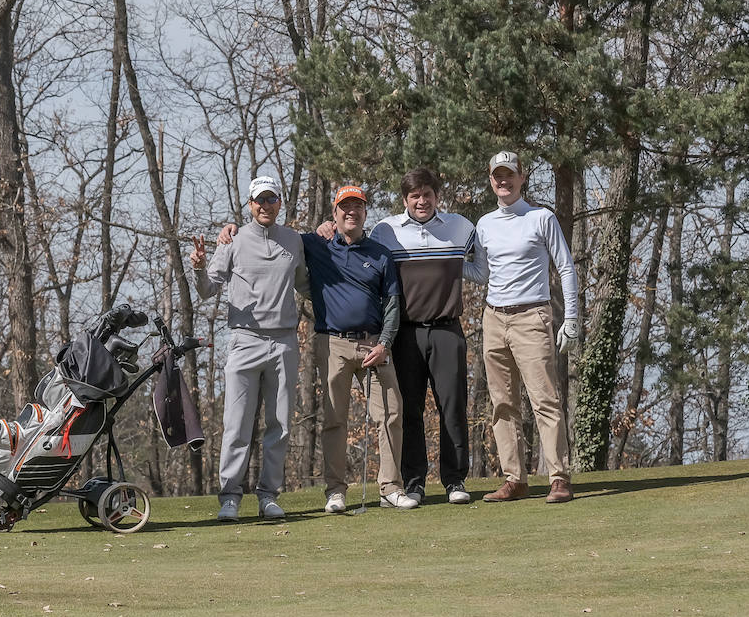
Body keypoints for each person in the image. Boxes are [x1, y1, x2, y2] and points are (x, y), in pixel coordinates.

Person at [218, 185, 415, 512]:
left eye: (357, 207)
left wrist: (385, 343)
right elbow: (273, 236)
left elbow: (393, 303)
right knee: (335, 420)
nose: (351, 212)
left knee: (391, 413)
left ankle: (391, 488)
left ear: (366, 213)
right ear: (334, 214)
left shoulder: (380, 254)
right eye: (344, 208)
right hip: (332, 342)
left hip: (373, 343)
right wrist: (231, 228)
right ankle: (335, 492)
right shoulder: (313, 243)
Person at [190, 175, 309, 521]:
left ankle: (268, 495)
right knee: (237, 424)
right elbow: (207, 288)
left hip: (285, 341)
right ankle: (230, 497)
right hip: (244, 341)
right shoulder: (233, 238)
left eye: (272, 199)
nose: (265, 206)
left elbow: (306, 284)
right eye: (260, 200)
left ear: (280, 203)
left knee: (280, 424)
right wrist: (198, 268)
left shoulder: (293, 240)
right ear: (250, 204)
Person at [369, 168, 486, 506]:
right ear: (405, 199)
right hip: (404, 333)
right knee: (409, 411)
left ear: (437, 196)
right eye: (415, 195)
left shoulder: (461, 227)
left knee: (452, 406)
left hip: (447, 329)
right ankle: (415, 483)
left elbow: (480, 270)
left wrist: (447, 268)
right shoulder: (384, 231)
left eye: (428, 194)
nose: (422, 201)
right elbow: (372, 273)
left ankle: (455, 480)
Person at [474, 150, 581, 504]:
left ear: (522, 178)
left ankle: (559, 478)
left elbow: (566, 267)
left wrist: (571, 318)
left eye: (509, 175)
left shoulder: (540, 218)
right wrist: (448, 262)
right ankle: (515, 479)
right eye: (497, 176)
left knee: (545, 400)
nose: (503, 181)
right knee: (502, 404)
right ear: (491, 180)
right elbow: (481, 273)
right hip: (493, 318)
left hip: (531, 317)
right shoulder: (485, 224)